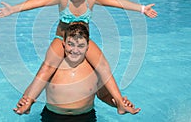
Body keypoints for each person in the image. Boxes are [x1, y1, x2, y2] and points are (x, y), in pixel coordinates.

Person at [0, 0, 157, 114]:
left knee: (103, 66)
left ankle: (120, 103)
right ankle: (28, 101)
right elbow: (39, 2)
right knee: (47, 67)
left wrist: (142, 8)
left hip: (83, 41)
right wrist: (13, 9)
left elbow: (117, 3)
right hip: (62, 39)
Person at [13, 23, 141, 121]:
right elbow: (34, 86)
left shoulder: (94, 69)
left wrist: (118, 103)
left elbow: (104, 95)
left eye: (80, 46)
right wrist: (25, 102)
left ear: (87, 47)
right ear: (63, 43)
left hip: (85, 118)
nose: (75, 50)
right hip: (53, 117)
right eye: (71, 44)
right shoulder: (52, 66)